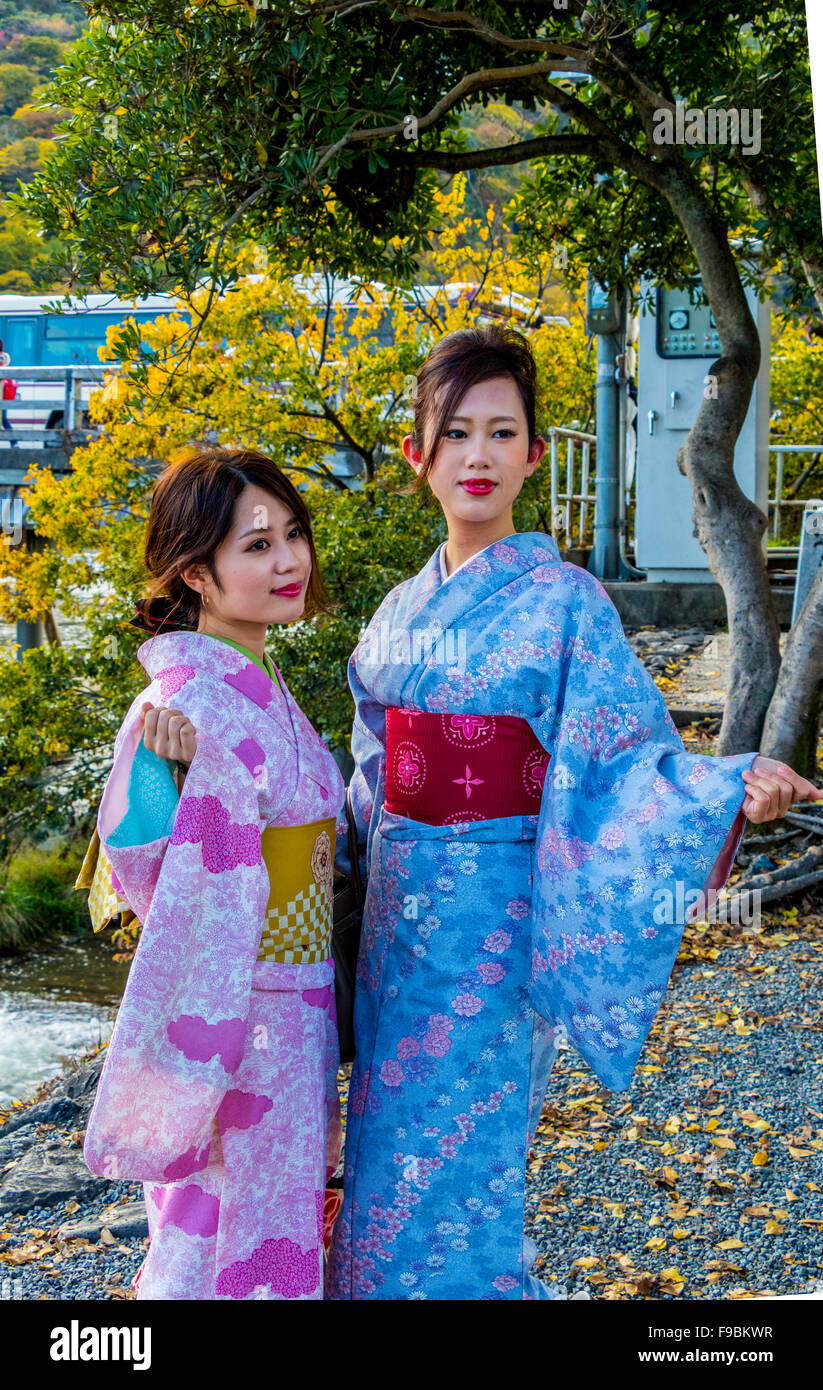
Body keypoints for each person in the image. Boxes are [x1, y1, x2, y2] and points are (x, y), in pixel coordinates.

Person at [319, 325, 820, 1300]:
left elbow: (627, 768)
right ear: (417, 452)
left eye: (501, 433)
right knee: (381, 1151)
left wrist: (725, 786)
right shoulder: (393, 614)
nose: (477, 455)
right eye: (454, 432)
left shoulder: (567, 605)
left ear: (534, 455)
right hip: (395, 931)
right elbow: (359, 794)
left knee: (472, 1159)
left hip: (497, 932)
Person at [82, 446, 346, 1300]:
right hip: (235, 1009)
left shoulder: (257, 676)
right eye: (258, 545)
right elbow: (136, 862)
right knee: (214, 1227)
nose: (290, 561)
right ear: (196, 573)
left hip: (292, 1004)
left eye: (294, 535)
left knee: (275, 1216)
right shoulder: (184, 700)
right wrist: (184, 787)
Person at [0, 339, 18, 447]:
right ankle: (14, 442)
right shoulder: (5, 357)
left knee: (3, 420)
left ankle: (14, 442)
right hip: (4, 395)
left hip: (1, 394)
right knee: (4, 419)